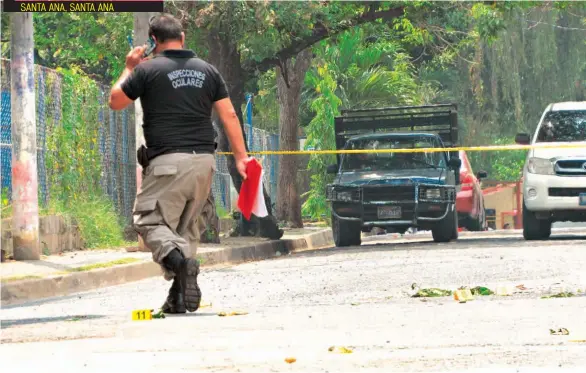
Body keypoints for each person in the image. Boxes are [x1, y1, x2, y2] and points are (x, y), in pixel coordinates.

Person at [108, 13, 249, 314]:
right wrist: (241, 158)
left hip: (167, 162)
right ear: (183, 38)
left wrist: (129, 66)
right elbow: (229, 115)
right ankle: (178, 298)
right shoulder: (208, 71)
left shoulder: (147, 70)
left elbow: (116, 100)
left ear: (154, 42)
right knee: (185, 229)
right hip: (204, 163)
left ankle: (181, 266)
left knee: (148, 220)